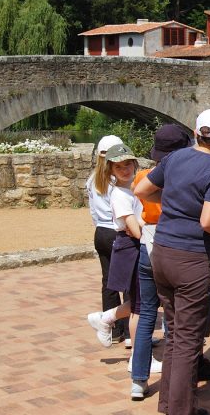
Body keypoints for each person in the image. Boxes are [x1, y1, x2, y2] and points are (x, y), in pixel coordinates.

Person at [134, 107, 210, 415]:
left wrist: (176, 201)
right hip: (190, 258)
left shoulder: (176, 158)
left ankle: (170, 403)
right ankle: (181, 409)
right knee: (189, 339)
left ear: (196, 133)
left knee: (176, 333)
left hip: (161, 252)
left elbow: (141, 190)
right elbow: (209, 221)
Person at [130, 124, 192, 400]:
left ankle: (138, 379)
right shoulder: (182, 177)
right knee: (176, 317)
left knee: (146, 314)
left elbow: (139, 212)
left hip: (147, 245)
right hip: (173, 245)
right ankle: (175, 380)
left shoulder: (142, 177)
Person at [87, 144, 143, 350]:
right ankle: (133, 346)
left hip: (115, 234)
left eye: (128, 165)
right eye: (119, 167)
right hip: (128, 243)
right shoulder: (119, 194)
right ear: (110, 169)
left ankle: (108, 319)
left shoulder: (133, 188)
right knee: (138, 298)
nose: (125, 170)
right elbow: (134, 228)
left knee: (141, 298)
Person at [87, 134, 128, 343]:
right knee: (130, 282)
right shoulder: (117, 180)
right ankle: (130, 333)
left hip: (101, 232)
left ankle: (115, 329)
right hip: (115, 231)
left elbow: (93, 211)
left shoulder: (92, 179)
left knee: (109, 282)